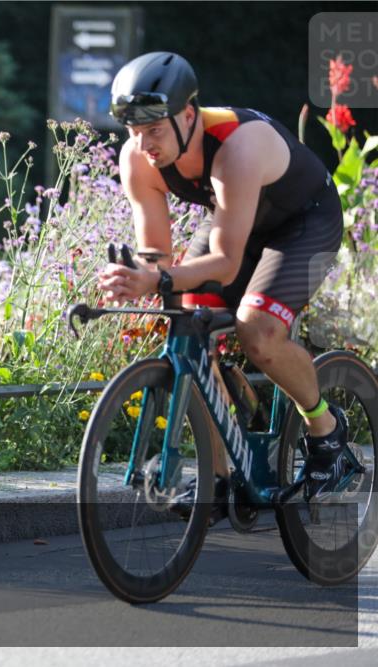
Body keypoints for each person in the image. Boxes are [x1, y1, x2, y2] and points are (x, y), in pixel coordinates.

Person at [98, 51, 352, 516]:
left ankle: (327, 430)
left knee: (257, 331)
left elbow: (227, 263)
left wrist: (157, 276)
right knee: (187, 326)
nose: (143, 143)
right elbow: (158, 255)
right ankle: (218, 480)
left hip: (303, 223)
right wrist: (141, 278)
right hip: (234, 221)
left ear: (188, 115)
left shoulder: (237, 145)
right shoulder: (138, 157)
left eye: (154, 129)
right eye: (134, 131)